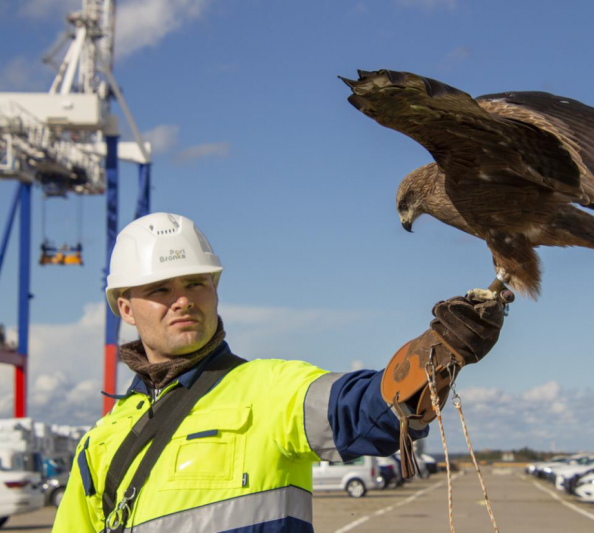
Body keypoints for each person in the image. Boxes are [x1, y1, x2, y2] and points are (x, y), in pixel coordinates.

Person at [53, 212, 508, 532]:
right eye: (160, 288)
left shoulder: (270, 389)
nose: (183, 299)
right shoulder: (102, 441)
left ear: (214, 291)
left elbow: (367, 409)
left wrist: (441, 352)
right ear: (126, 308)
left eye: (196, 283)